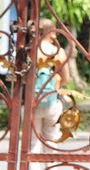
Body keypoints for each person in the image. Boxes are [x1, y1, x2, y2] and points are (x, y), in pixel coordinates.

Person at [30, 18, 70, 170]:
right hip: (52, 101)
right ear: (52, 32)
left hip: (32, 101)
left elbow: (25, 80)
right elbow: (65, 78)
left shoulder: (31, 49)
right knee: (51, 139)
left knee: (33, 141)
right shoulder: (58, 51)